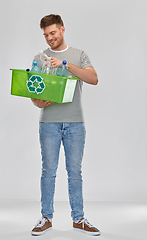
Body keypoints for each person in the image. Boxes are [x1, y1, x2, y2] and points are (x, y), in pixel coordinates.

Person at [31, 14, 100, 236]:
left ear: (62, 30)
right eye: (46, 35)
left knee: (74, 172)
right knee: (48, 171)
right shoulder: (39, 58)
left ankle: (78, 219)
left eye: (53, 33)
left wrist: (64, 64)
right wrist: (40, 102)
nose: (49, 38)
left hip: (75, 123)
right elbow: (34, 93)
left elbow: (93, 78)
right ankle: (45, 218)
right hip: (49, 123)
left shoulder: (78, 55)